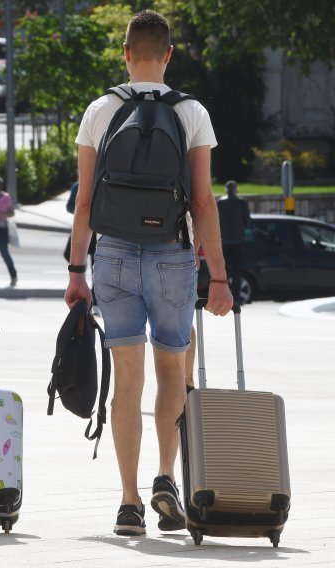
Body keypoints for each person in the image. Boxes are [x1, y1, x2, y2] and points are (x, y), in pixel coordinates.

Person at [64, 10, 233, 537]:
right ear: (169, 55)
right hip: (173, 255)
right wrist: (221, 278)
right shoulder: (191, 113)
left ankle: (129, 502)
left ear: (125, 53)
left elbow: (86, 201)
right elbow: (203, 201)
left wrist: (76, 269)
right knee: (170, 375)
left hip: (112, 253)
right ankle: (165, 477)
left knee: (126, 385)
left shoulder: (101, 109)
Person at [217, 180, 252, 300]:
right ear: (236, 189)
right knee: (237, 270)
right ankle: (236, 297)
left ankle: (224, 295)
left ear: (226, 189)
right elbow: (247, 221)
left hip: (224, 240)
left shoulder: (220, 202)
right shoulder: (241, 202)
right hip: (237, 240)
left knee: (225, 270)